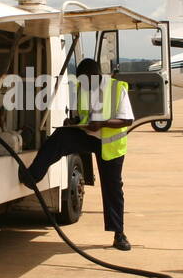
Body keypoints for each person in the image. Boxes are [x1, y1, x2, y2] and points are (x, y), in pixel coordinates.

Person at [19, 58, 135, 250]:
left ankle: (119, 235)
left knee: (112, 187)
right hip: (88, 136)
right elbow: (81, 115)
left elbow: (127, 120)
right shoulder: (81, 88)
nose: (85, 84)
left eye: (88, 80)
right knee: (61, 137)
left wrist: (103, 123)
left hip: (110, 144)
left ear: (97, 76)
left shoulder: (116, 88)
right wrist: (72, 122)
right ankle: (33, 176)